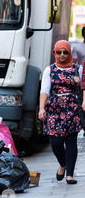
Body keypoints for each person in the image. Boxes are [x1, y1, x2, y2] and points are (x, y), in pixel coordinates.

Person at [38, 40, 84, 185]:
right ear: (55, 53)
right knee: (55, 142)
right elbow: (44, 90)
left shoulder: (78, 69)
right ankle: (63, 164)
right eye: (59, 52)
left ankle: (70, 174)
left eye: (65, 52)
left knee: (71, 141)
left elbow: (84, 87)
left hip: (72, 108)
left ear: (70, 53)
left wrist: (78, 83)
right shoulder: (49, 70)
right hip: (54, 109)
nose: (63, 55)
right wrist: (41, 108)